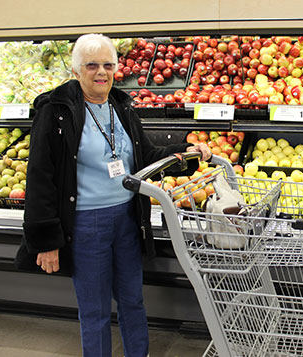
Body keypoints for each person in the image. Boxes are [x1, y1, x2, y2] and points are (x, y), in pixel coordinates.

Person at [14, 33, 211, 357]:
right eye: (92, 65)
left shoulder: (120, 107)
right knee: (95, 309)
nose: (101, 72)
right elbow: (40, 177)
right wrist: (45, 239)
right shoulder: (56, 110)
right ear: (77, 71)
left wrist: (185, 154)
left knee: (133, 299)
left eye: (108, 65)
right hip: (85, 225)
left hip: (127, 220)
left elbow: (146, 156)